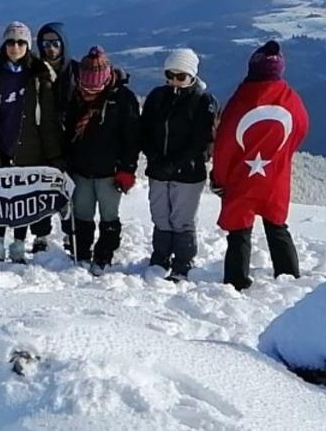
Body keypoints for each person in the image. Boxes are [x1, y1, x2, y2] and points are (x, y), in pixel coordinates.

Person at [0, 22, 63, 263]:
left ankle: (18, 244)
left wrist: (54, 155)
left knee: (21, 199)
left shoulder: (39, 77)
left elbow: (46, 121)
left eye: (20, 42)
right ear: (4, 45)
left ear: (27, 45)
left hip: (28, 147)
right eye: (11, 42)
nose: (15, 47)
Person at [213, 41, 308, 291]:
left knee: (239, 232)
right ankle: (288, 275)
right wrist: (282, 154)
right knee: (277, 226)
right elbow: (301, 126)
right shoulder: (290, 98)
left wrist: (219, 178)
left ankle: (236, 280)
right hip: (275, 175)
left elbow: (225, 141)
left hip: (243, 177)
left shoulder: (242, 99)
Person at [140, 48, 217, 281]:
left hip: (188, 171)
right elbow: (144, 129)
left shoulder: (203, 101)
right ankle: (161, 256)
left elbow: (201, 139)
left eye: (180, 76)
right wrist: (153, 156)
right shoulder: (157, 97)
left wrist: (174, 163)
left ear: (192, 75)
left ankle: (183, 261)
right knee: (161, 215)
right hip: (158, 169)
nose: (174, 80)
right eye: (169, 75)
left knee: (182, 219)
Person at [62, 47, 140, 275]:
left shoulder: (123, 99)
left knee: (109, 216)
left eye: (95, 87)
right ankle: (82, 253)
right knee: (82, 215)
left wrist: (128, 168)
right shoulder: (75, 96)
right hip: (81, 169)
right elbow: (66, 133)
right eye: (86, 87)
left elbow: (132, 138)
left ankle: (104, 255)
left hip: (110, 171)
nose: (90, 91)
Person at [31, 22, 82, 252]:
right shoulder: (34, 71)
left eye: (55, 43)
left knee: (69, 190)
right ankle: (40, 235)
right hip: (40, 139)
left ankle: (70, 233)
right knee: (40, 189)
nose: (50, 48)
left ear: (63, 43)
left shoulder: (77, 71)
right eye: (45, 43)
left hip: (72, 141)